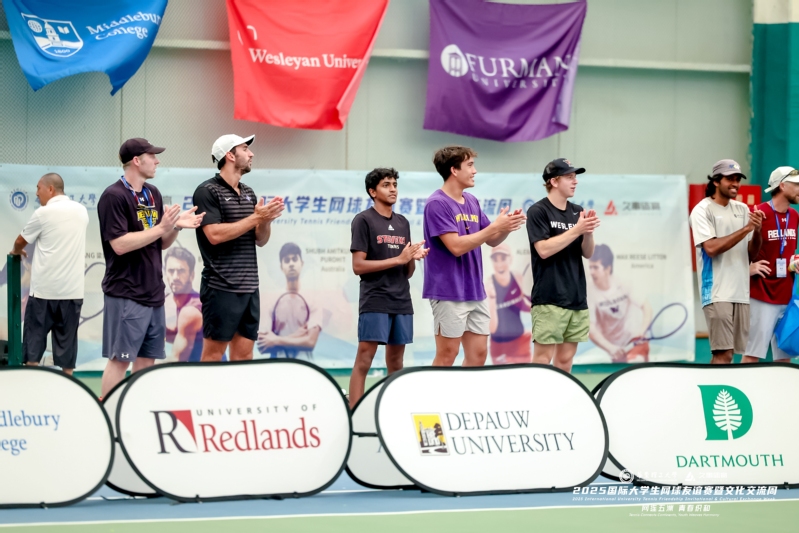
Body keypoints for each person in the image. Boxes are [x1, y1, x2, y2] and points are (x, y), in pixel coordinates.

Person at [99, 139, 205, 397]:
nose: (157, 161)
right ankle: (108, 410)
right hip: (125, 292)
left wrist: (175, 226)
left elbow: (162, 242)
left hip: (154, 293)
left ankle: (135, 409)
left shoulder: (153, 193)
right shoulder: (114, 196)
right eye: (152, 156)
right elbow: (119, 245)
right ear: (137, 160)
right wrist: (161, 228)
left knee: (147, 361)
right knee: (120, 359)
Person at [423, 146, 526, 367]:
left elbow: (492, 239)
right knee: (447, 354)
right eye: (469, 165)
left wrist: (505, 227)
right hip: (448, 291)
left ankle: (465, 391)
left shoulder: (471, 200)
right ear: (454, 170)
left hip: (474, 291)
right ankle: (432, 391)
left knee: (478, 355)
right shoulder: (437, 204)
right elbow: (456, 247)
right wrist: (495, 227)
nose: (475, 171)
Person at [193, 134, 284, 363]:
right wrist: (256, 218)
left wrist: (265, 221)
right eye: (245, 149)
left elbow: (260, 240)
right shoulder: (207, 191)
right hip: (220, 287)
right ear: (230, 155)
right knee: (213, 355)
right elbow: (214, 235)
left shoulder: (249, 192)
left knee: (244, 356)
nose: (251, 153)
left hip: (250, 287)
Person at [347, 168, 427, 407]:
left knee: (396, 362)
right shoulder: (363, 220)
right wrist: (398, 259)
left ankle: (393, 409)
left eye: (394, 184)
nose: (393, 189)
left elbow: (407, 272)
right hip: (375, 299)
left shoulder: (402, 222)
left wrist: (412, 257)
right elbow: (358, 266)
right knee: (365, 359)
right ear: (372, 191)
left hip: (401, 301)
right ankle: (355, 411)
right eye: (386, 185)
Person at [9, 173, 88, 375]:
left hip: (43, 293)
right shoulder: (81, 211)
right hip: (72, 293)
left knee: (32, 350)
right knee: (67, 351)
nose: (36, 193)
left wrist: (16, 251)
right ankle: (68, 386)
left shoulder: (43, 213)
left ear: (50, 189)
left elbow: (20, 241)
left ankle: (32, 387)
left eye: (38, 188)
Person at [527, 158, 599, 373]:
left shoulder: (578, 211)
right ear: (554, 181)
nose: (575, 181)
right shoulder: (538, 211)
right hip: (549, 298)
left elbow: (588, 253)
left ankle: (561, 395)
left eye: (575, 177)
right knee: (543, 359)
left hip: (576, 297)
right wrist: (577, 230)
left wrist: (588, 233)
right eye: (569, 177)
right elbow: (543, 250)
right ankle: (535, 395)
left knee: (566, 360)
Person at [690, 159, 764, 365]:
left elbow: (751, 254)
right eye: (730, 179)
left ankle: (725, 385)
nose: (735, 184)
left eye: (738, 179)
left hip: (741, 292)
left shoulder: (742, 209)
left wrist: (757, 231)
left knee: (734, 354)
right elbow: (711, 248)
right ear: (716, 181)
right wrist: (747, 229)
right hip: (716, 292)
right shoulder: (702, 210)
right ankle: (713, 387)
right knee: (723, 354)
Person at [742, 166, 799, 364]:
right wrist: (747, 268)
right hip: (761, 295)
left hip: (787, 295)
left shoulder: (794, 215)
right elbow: (735, 251)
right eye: (796, 184)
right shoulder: (756, 212)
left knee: (784, 356)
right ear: (782, 185)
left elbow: (787, 250)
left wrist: (794, 261)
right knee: (752, 354)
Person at [257, 243, 324, 360]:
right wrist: (298, 336)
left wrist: (275, 340)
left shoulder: (314, 300)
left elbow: (310, 343)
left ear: (302, 263)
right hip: (277, 365)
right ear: (281, 266)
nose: (291, 264)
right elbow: (262, 346)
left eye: (294, 259)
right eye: (287, 260)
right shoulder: (272, 301)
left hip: (305, 364)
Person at [587, 244, 652, 363]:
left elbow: (646, 307)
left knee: (637, 362)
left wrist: (642, 332)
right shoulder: (588, 291)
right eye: (590, 267)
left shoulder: (624, 282)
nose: (591, 272)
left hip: (634, 339)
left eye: (595, 267)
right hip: (613, 348)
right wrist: (611, 348)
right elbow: (590, 328)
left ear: (608, 269)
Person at [485, 243, 532, 364]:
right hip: (498, 344)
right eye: (495, 260)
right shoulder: (488, 286)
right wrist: (492, 299)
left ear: (510, 259)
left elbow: (522, 304)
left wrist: (537, 307)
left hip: (520, 341)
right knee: (502, 376)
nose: (499, 264)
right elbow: (492, 329)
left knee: (525, 374)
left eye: (503, 258)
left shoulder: (517, 277)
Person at [164, 247, 203, 363]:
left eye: (181, 271)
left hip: (205, 370)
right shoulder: (170, 300)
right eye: (171, 271)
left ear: (192, 275)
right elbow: (178, 334)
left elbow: (176, 360)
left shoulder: (191, 311)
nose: (175, 277)